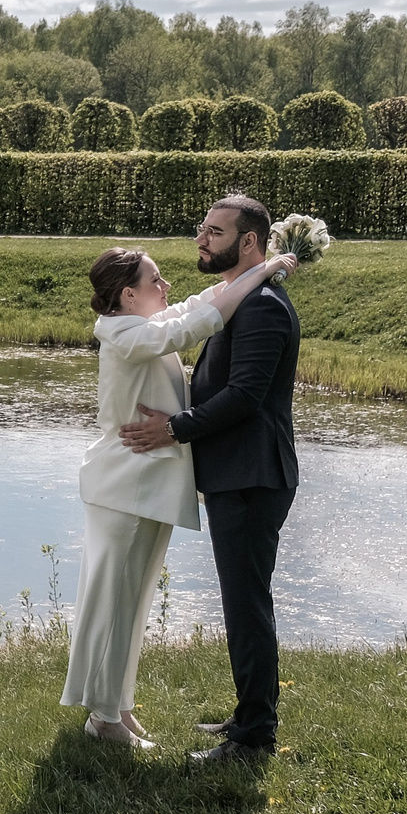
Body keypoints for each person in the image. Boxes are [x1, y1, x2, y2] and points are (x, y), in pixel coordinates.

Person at [66, 238, 295, 750]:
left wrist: (248, 274)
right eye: (155, 281)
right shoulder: (125, 334)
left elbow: (193, 307)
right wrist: (261, 273)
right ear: (127, 296)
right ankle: (102, 718)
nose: (166, 287)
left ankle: (117, 709)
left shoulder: (138, 327)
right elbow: (194, 325)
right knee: (115, 601)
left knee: (134, 598)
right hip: (123, 486)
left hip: (141, 485)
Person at [118, 195, 302, 764]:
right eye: (202, 228)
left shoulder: (264, 306)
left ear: (250, 242)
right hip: (238, 472)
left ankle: (253, 738)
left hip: (253, 474)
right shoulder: (239, 298)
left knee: (247, 604)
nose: (201, 239)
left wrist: (175, 429)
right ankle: (250, 716)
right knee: (243, 600)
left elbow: (244, 397)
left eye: (215, 232)